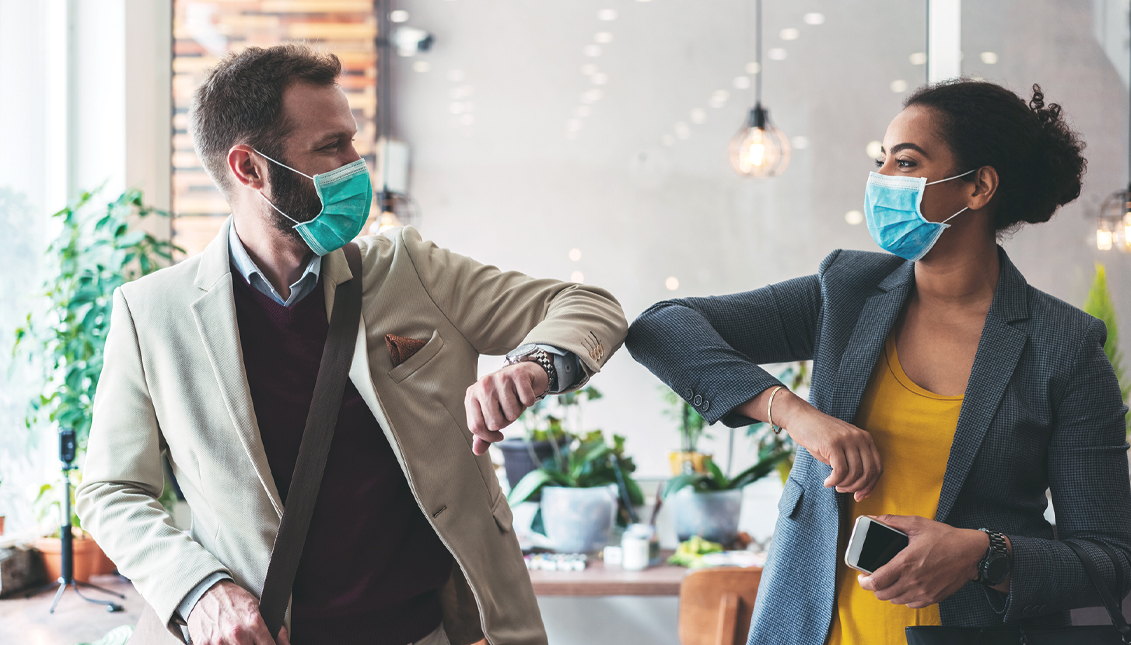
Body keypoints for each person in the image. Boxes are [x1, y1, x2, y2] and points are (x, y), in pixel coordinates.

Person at [76, 44, 627, 645]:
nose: (355, 163)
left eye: (351, 140)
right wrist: (197, 588)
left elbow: (588, 305)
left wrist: (534, 365)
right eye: (330, 146)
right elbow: (110, 489)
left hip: (430, 632)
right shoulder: (151, 313)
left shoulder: (411, 269)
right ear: (249, 168)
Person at [626, 79, 1131, 645]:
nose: (882, 179)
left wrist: (982, 555)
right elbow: (660, 326)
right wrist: (793, 413)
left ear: (979, 186)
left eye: (907, 162)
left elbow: (1108, 559)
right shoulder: (845, 293)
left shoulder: (1064, 346)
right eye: (881, 160)